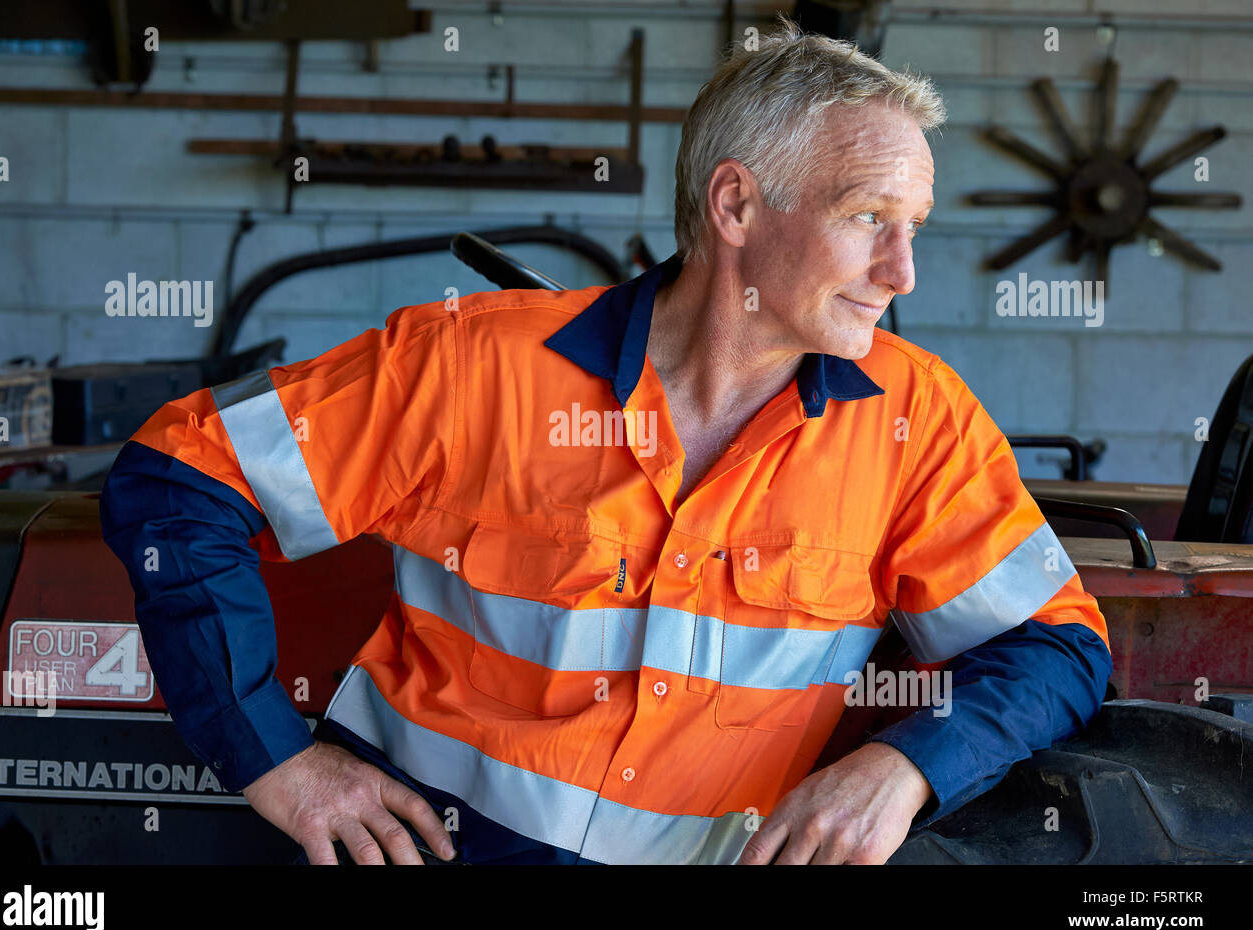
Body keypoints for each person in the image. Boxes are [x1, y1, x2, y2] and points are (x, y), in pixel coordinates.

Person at [100, 18, 1112, 865]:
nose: (902, 271)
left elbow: (1056, 646)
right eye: (868, 218)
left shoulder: (914, 424)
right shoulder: (475, 366)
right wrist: (272, 756)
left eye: (915, 226)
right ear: (735, 205)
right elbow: (175, 478)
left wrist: (904, 766)